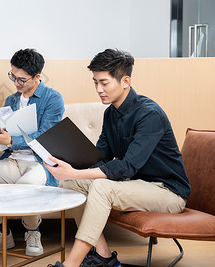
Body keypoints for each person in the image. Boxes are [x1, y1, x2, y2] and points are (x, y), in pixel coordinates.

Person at [46, 48, 191, 267]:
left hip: (167, 191)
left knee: (102, 188)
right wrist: (68, 162)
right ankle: (103, 256)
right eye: (95, 82)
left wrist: (77, 171)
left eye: (104, 83)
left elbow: (127, 166)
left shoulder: (149, 114)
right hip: (136, 185)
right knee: (72, 183)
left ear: (125, 81)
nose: (99, 89)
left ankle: (71, 264)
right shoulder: (110, 113)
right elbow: (101, 156)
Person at [0, 48, 65, 256]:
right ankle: (0, 234)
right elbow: (6, 136)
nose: (16, 83)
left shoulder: (53, 99)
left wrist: (11, 141)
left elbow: (44, 137)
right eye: (12, 77)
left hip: (39, 163)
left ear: (37, 77)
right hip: (13, 160)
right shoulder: (11, 100)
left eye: (21, 80)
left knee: (26, 186)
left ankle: (33, 231)